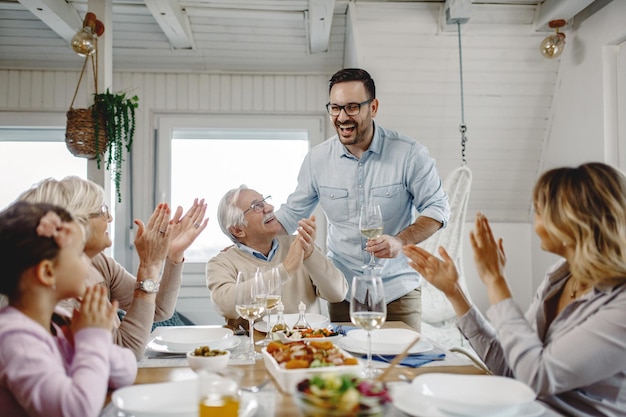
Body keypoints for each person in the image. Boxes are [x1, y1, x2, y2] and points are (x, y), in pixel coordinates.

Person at [403, 162, 626, 416]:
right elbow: (512, 369)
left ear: (572, 223)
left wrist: (496, 281)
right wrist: (455, 293)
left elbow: (535, 377)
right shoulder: (559, 278)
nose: (535, 220)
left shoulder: (620, 307)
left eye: (540, 212)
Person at [274, 68, 450, 330]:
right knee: (349, 368)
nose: (342, 117)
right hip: (342, 292)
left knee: (402, 367)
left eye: (352, 107)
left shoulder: (410, 154)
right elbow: (289, 216)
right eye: (335, 108)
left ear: (374, 107)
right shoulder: (317, 160)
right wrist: (242, 238)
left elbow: (437, 209)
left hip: (397, 291)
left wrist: (399, 241)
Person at [18, 176, 208, 359]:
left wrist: (173, 255)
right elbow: (126, 353)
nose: (109, 217)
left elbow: (158, 308)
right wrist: (149, 267)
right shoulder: (55, 292)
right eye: (101, 210)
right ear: (76, 222)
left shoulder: (99, 262)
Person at [0, 201, 137, 417]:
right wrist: (92, 339)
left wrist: (89, 341)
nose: (88, 262)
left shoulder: (60, 321)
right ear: (47, 272)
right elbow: (76, 410)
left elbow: (127, 371)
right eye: (79, 253)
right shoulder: (15, 339)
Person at [206, 185, 348, 328]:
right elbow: (226, 305)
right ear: (238, 230)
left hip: (305, 344)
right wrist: (285, 269)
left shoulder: (299, 245)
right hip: (256, 346)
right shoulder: (221, 263)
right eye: (257, 206)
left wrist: (311, 255)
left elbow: (338, 293)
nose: (270, 208)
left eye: (265, 201)